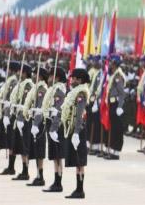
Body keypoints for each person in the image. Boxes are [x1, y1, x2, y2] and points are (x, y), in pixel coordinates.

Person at [62, 68, 90, 199]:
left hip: (78, 130)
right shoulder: (75, 92)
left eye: (74, 78)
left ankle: (80, 190)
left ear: (80, 80)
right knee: (77, 161)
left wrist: (77, 133)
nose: (71, 80)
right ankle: (78, 189)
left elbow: (80, 115)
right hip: (74, 129)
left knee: (80, 161)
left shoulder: (81, 94)